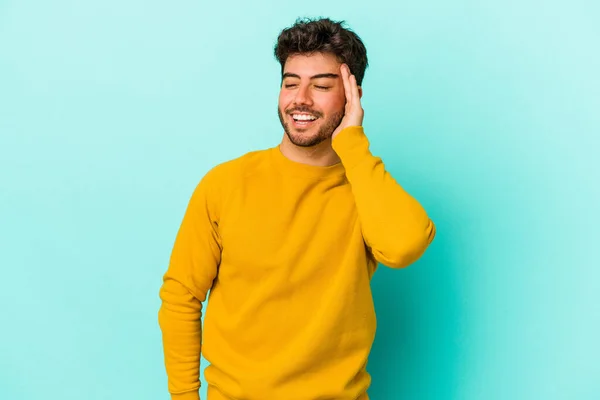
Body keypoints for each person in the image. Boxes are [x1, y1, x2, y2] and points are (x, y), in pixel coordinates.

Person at [158, 17, 436, 400]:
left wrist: (353, 144)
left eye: (321, 85)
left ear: (353, 96)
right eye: (290, 83)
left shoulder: (366, 188)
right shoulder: (225, 184)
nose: (300, 98)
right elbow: (181, 296)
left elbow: (405, 245)